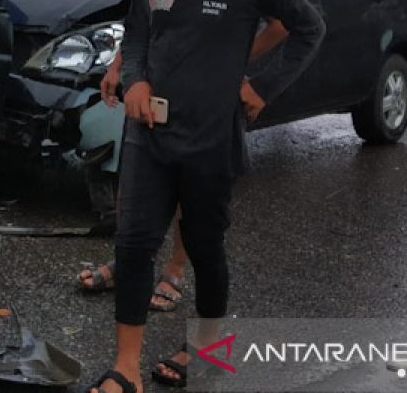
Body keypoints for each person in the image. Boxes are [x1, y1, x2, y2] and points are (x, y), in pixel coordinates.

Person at [85, 0, 324, 393]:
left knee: (204, 246)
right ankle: (125, 367)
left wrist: (262, 85)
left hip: (212, 139)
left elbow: (309, 26)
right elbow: (140, 35)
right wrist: (135, 79)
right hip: (148, 135)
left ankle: (207, 346)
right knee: (132, 245)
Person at [77, 16, 289, 312]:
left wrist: (235, 62)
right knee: (134, 184)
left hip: (205, 101)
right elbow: (143, 25)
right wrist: (116, 67)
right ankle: (126, 264)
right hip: (151, 91)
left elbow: (283, 24)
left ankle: (174, 270)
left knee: (187, 191)